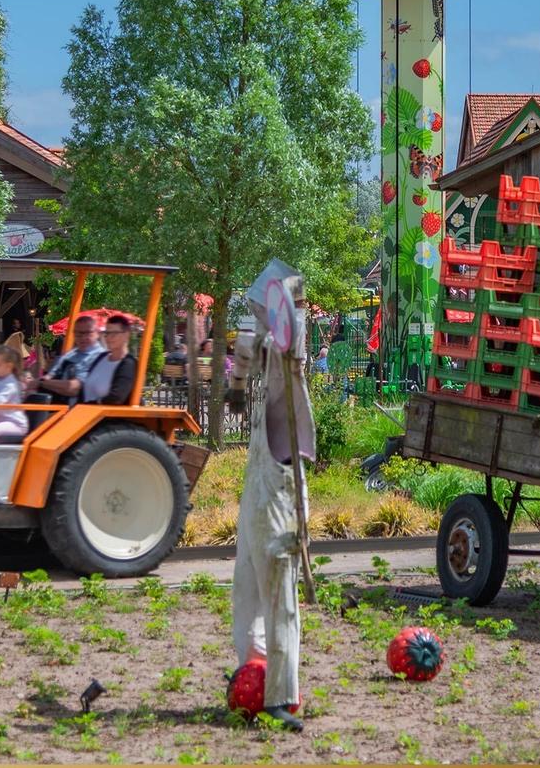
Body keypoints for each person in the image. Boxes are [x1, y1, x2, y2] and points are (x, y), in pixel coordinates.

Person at [230, 261, 316, 733]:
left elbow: (290, 339)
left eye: (260, 306)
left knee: (280, 598)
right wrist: (238, 373)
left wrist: (288, 311)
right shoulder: (262, 359)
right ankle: (253, 668)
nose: (254, 314)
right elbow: (247, 361)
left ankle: (283, 694)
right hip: (254, 490)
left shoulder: (285, 353)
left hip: (281, 492)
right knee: (246, 592)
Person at [38, 318, 106, 406]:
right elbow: (51, 375)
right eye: (79, 334)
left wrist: (42, 383)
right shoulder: (71, 355)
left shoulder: (100, 357)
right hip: (62, 408)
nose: (83, 337)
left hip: (88, 411)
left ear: (97, 333)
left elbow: (74, 388)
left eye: (88, 333)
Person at [82, 315, 139, 405]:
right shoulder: (101, 358)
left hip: (107, 417)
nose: (109, 338)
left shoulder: (129, 364)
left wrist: (92, 404)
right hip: (83, 413)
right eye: (107, 333)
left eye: (114, 333)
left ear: (126, 335)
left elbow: (117, 397)